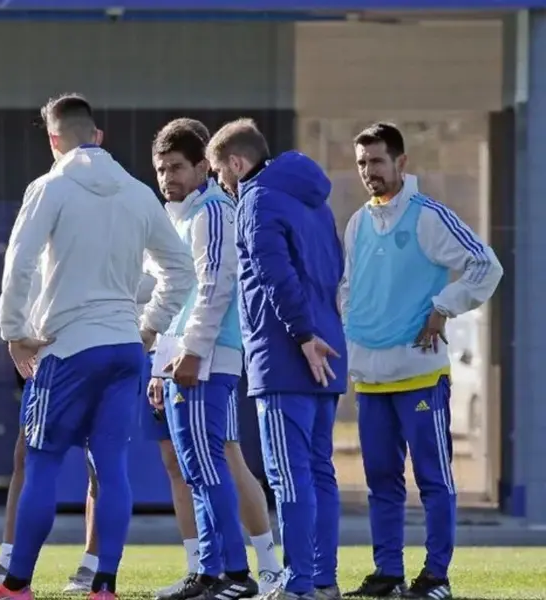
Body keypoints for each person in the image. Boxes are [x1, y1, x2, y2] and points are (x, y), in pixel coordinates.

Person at [0, 93, 196, 600]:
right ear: (98, 136)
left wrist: (13, 332)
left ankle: (17, 583)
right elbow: (181, 270)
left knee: (42, 461)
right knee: (112, 467)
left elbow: (19, 264)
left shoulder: (49, 187)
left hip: (68, 347)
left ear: (54, 140)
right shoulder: (138, 192)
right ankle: (104, 584)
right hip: (124, 349)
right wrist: (149, 326)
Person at [341, 123, 502, 600]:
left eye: (376, 161)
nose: (368, 171)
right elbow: (348, 288)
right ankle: (388, 574)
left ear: (401, 162)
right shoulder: (357, 223)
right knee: (381, 482)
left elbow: (485, 264)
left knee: (433, 478)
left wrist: (443, 306)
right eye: (361, 163)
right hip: (371, 378)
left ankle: (436, 578)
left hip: (419, 373)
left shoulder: (429, 216)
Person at [146, 118, 284, 599]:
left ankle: (236, 574)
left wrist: (192, 351)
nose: (167, 178)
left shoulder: (214, 211)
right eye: (161, 169)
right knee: (195, 469)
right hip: (182, 357)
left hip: (208, 356)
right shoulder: (179, 215)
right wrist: (161, 361)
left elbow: (215, 288)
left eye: (176, 167)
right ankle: (210, 570)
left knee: (211, 464)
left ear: (203, 167)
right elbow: (173, 297)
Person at [208, 118, 345, 600]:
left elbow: (272, 273)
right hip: (328, 349)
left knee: (290, 475)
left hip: (287, 355)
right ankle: (323, 578)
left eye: (219, 173)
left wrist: (303, 335)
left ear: (236, 163)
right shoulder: (315, 201)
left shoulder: (256, 199)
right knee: (320, 470)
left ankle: (299, 582)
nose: (221, 184)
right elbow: (334, 267)